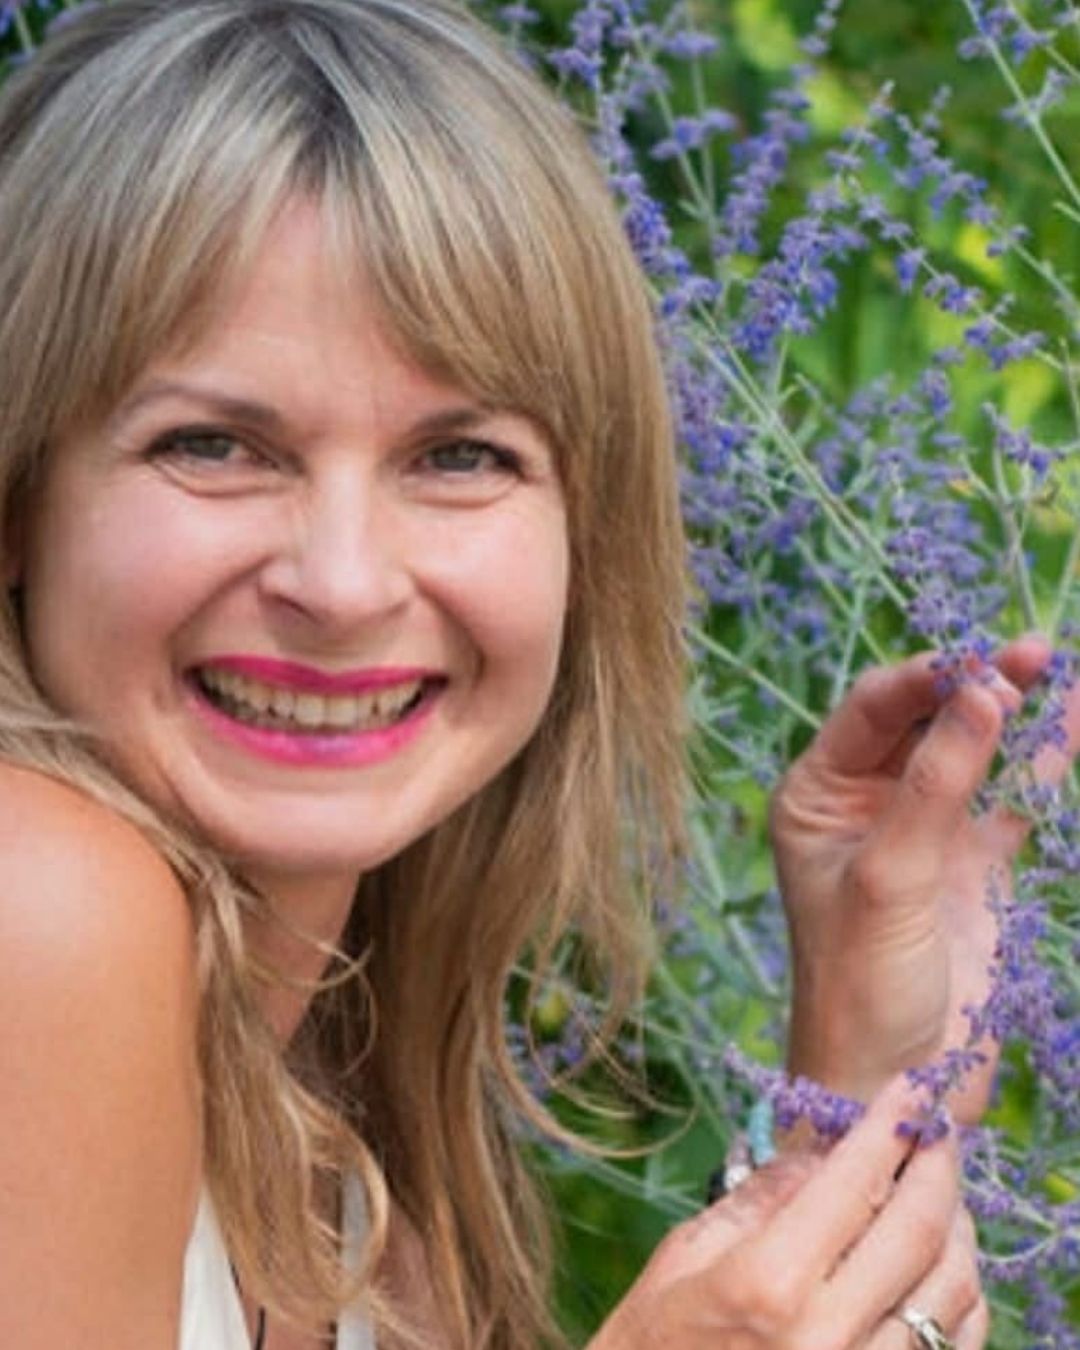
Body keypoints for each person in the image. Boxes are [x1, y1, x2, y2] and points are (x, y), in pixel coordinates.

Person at [0, 2, 1072, 1347]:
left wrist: (858, 1089)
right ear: (18, 496)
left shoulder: (351, 1134)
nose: (344, 582)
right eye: (213, 445)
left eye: (460, 457)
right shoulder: (36, 901)